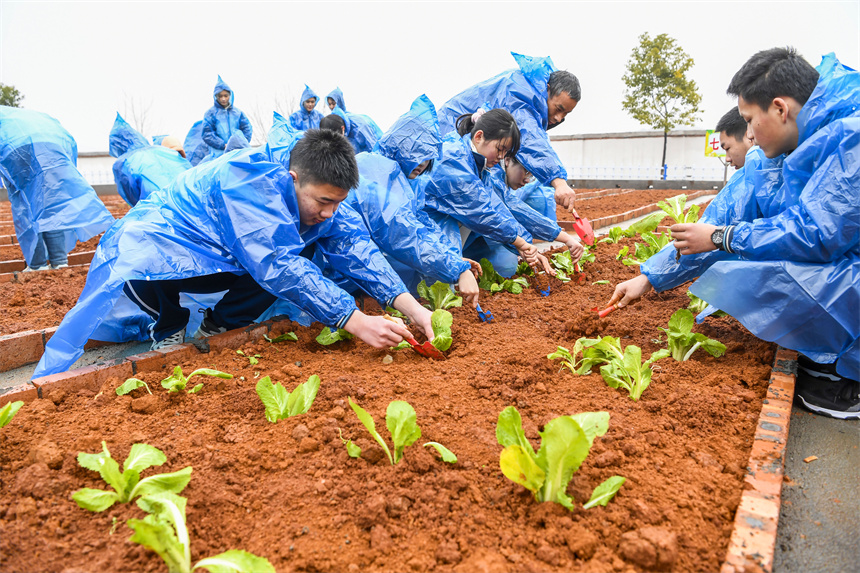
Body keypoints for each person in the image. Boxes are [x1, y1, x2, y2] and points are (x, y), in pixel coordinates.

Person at [34, 129, 434, 378]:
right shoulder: (247, 183)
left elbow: (355, 247)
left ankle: (216, 324)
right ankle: (168, 323)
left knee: (300, 258)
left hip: (220, 253)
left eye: (337, 203)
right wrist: (356, 321)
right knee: (153, 265)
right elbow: (277, 263)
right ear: (294, 179)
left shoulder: (321, 195)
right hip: (158, 242)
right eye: (324, 201)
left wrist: (412, 308)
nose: (329, 212)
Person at [647, 50, 858, 419]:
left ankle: (850, 382)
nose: (748, 134)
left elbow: (819, 234)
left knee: (778, 270)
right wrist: (648, 277)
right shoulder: (783, 153)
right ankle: (829, 357)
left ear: (779, 108)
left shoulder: (851, 136)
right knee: (755, 259)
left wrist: (723, 237)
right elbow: (726, 218)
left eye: (749, 121)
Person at [606, 107, 790, 312]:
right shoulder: (777, 163)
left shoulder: (762, 165)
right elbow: (714, 234)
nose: (727, 158)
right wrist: (648, 278)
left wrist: (720, 236)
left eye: (727, 148)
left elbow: (717, 228)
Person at [333, 94, 481, 306]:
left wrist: (452, 258)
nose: (423, 162)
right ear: (400, 144)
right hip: (342, 269)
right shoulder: (377, 171)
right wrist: (456, 268)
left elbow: (421, 223)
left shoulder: (406, 181)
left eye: (429, 156)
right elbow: (403, 233)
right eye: (418, 152)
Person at [437, 52, 581, 214]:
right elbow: (530, 137)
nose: (558, 118)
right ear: (547, 90)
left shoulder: (530, 91)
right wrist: (558, 181)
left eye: (565, 114)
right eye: (558, 108)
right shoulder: (520, 92)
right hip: (445, 136)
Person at [422, 109, 550, 278]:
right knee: (431, 290)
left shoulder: (477, 165)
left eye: (506, 153)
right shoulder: (454, 159)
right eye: (500, 149)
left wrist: (523, 243)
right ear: (479, 136)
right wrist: (520, 242)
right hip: (423, 235)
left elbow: (497, 208)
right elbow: (482, 213)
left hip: (435, 238)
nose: (501, 157)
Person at [0, 105, 114, 271]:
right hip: (52, 144)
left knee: (26, 204)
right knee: (51, 205)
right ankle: (60, 262)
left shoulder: (7, 120)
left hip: (17, 147)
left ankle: (37, 264)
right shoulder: (26, 116)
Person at [487, 155, 584, 257]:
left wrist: (565, 238)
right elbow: (515, 211)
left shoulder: (499, 178)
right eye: (526, 172)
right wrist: (524, 245)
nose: (527, 180)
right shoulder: (492, 177)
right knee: (505, 263)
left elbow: (518, 211)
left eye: (531, 175)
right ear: (507, 160)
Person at [109, 113, 191, 206]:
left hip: (160, 206)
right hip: (190, 198)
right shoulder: (164, 150)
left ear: (116, 146)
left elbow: (132, 196)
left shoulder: (123, 163)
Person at [202, 76, 252, 162]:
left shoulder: (238, 113)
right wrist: (223, 145)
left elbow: (247, 129)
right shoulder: (210, 114)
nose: (223, 99)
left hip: (238, 153)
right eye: (220, 96)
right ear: (216, 97)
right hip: (218, 155)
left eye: (226, 96)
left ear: (230, 95)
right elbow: (207, 134)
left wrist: (240, 143)